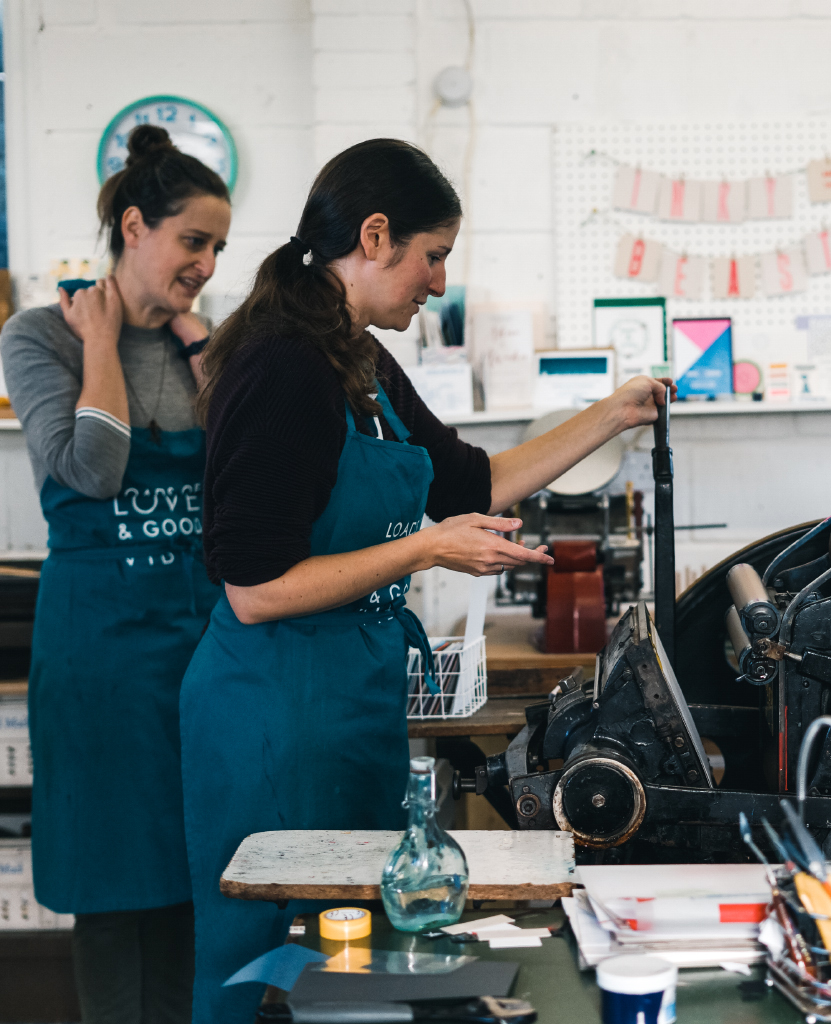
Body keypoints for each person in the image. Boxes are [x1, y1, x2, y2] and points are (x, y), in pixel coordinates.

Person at [180, 138, 671, 1021]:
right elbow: (252, 589)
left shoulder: (356, 358)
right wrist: (424, 550)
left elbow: (470, 483)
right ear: (375, 236)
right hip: (273, 710)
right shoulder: (285, 363)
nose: (439, 281)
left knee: (349, 955)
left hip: (346, 695)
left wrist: (614, 414)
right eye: (433, 255)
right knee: (275, 963)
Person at [0, 125, 231, 1023]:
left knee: (190, 875)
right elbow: (91, 468)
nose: (207, 263)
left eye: (216, 246)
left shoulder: (198, 342)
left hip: (197, 645)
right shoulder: (40, 337)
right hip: (99, 652)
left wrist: (204, 344)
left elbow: (242, 467)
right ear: (134, 226)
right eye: (192, 241)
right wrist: (103, 339)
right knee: (111, 887)